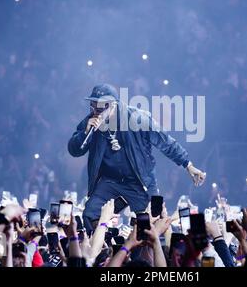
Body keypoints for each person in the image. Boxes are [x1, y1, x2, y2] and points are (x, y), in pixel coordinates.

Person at [68, 84, 206, 232]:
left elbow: (165, 142)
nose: (95, 112)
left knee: (153, 224)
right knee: (90, 213)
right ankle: (103, 248)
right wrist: (85, 133)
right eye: (92, 106)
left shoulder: (138, 119)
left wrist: (188, 165)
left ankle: (149, 251)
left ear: (113, 105)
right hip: (110, 182)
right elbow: (74, 150)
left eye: (100, 108)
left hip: (140, 182)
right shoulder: (90, 122)